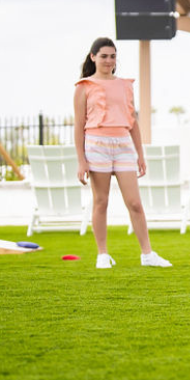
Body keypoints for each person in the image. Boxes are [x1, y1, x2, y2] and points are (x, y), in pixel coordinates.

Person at [74, 37, 172, 269]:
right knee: (101, 201)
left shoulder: (125, 85)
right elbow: (79, 126)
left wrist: (140, 154)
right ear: (93, 57)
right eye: (104, 56)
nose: (109, 60)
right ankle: (102, 255)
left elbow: (133, 122)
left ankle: (147, 254)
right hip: (97, 145)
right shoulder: (84, 87)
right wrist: (81, 161)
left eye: (113, 56)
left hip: (123, 146)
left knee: (135, 203)